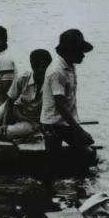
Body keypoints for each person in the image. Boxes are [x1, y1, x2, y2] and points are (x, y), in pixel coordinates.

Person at [41, 29, 96, 163]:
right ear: (70, 52)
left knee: (82, 152)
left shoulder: (69, 65)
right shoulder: (57, 71)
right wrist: (79, 131)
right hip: (54, 123)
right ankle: (73, 181)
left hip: (63, 121)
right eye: (80, 52)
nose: (83, 55)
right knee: (83, 153)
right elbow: (60, 105)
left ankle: (76, 181)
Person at [0, 49, 52, 141]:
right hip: (13, 110)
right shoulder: (23, 78)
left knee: (4, 133)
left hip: (29, 121)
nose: (44, 71)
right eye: (41, 67)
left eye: (46, 67)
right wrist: (4, 123)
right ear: (33, 66)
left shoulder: (51, 84)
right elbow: (9, 102)